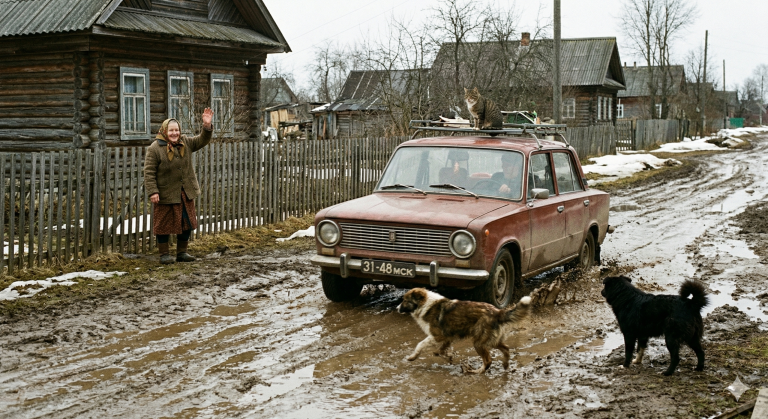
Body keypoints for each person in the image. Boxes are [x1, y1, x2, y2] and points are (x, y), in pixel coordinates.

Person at [144, 108, 213, 264]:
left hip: (185, 192)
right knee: (163, 224)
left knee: (186, 222)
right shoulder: (155, 148)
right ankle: (164, 255)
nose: (174, 133)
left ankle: (182, 253)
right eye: (171, 130)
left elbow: (202, 140)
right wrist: (153, 191)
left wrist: (206, 126)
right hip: (165, 193)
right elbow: (149, 172)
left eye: (177, 130)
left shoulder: (186, 142)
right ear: (164, 131)